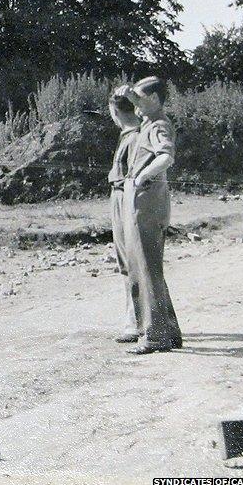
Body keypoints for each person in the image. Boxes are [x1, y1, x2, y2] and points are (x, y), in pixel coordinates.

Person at [114, 77, 182, 354]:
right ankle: (168, 332)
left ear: (154, 99)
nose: (135, 104)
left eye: (140, 98)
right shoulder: (147, 125)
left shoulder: (158, 125)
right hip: (141, 201)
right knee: (146, 268)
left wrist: (143, 175)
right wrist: (131, 94)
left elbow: (166, 156)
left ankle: (154, 337)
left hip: (147, 202)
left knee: (145, 269)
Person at [107, 86, 141, 345]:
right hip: (120, 196)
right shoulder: (129, 134)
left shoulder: (135, 137)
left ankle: (136, 322)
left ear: (115, 111)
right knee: (128, 263)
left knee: (131, 264)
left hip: (126, 198)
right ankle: (138, 318)